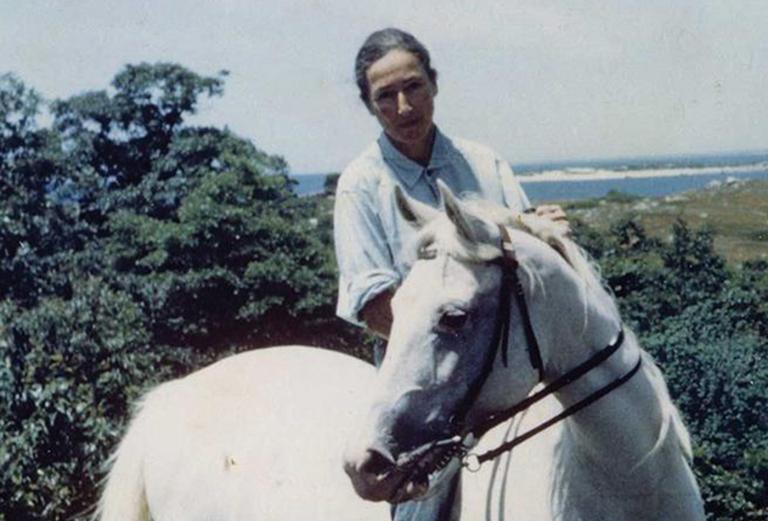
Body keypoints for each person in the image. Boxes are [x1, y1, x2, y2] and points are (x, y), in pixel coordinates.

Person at [333, 28, 567, 520]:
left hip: (518, 369)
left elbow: (528, 270)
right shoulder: (361, 185)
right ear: (369, 106)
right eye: (385, 97)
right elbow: (377, 309)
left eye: (413, 87)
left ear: (433, 84)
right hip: (427, 385)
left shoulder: (483, 162)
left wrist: (548, 238)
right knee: (422, 502)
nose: (403, 106)